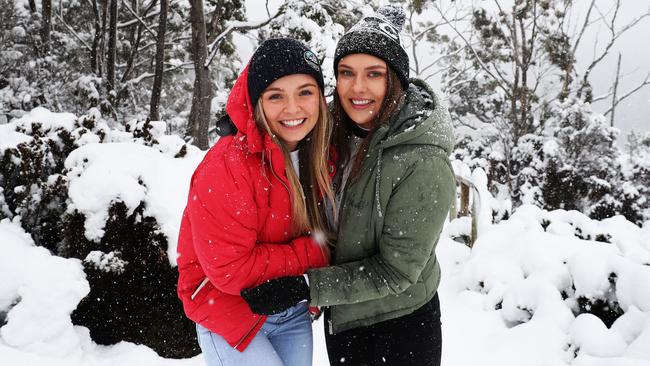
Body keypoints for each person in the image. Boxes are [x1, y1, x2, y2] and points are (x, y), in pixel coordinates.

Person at [241, 6, 456, 366]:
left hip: (399, 325)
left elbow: (398, 271)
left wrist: (307, 286)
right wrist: (241, 126)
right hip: (342, 318)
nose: (358, 87)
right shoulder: (329, 129)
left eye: (374, 74)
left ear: (395, 81)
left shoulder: (423, 161)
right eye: (346, 73)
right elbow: (285, 114)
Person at [176, 38, 336, 366]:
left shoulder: (321, 156)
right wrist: (314, 254)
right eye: (276, 96)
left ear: (320, 98)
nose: (293, 109)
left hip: (292, 308)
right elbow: (231, 269)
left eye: (305, 92)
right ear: (256, 101)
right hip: (228, 310)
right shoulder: (226, 167)